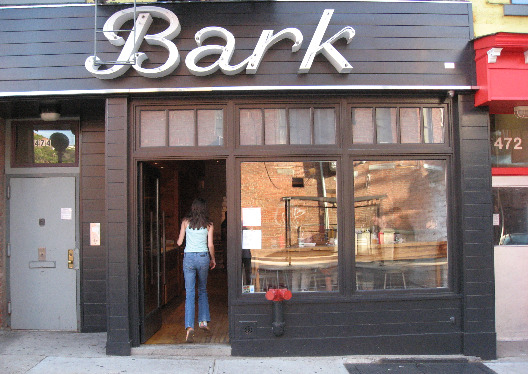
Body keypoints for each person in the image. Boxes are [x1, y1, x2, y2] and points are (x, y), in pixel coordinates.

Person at [177, 198, 216, 343]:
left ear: (192, 208)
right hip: (203, 257)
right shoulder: (209, 224)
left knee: (190, 293)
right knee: (203, 290)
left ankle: (189, 327)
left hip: (188, 258)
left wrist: (182, 239)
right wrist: (213, 258)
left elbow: (180, 242)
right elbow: (210, 244)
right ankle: (203, 321)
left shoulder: (186, 222)